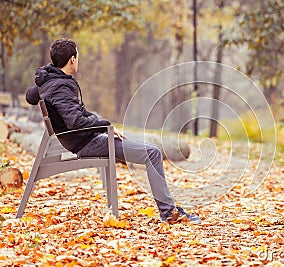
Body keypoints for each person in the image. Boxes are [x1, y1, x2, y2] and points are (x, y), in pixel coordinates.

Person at [26, 38, 200, 224]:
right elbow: (75, 121)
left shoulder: (51, 82)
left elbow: (31, 96)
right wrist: (105, 124)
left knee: (146, 149)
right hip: (87, 143)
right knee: (153, 153)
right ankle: (169, 213)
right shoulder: (60, 87)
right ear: (72, 60)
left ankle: (168, 210)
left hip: (83, 140)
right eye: (78, 57)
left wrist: (45, 77)